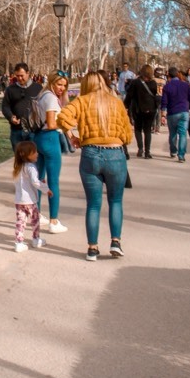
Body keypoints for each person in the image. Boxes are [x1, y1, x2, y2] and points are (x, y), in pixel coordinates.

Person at [57, 72, 132, 261]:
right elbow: (127, 135)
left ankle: (92, 248)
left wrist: (71, 135)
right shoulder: (116, 103)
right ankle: (116, 242)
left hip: (90, 152)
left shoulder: (82, 101)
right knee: (115, 201)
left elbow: (62, 117)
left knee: (93, 204)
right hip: (115, 153)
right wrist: (117, 138)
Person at [32, 70, 69, 233]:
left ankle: (36, 214)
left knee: (39, 179)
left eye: (64, 85)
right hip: (50, 138)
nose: (62, 88)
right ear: (52, 83)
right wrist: (65, 125)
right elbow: (52, 123)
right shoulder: (52, 99)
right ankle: (54, 220)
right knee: (53, 181)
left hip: (38, 138)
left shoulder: (42, 95)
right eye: (59, 84)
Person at [13, 139, 52, 252]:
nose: (37, 154)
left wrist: (41, 183)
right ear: (27, 155)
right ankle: (36, 239)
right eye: (34, 152)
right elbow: (35, 182)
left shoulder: (18, 167)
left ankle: (19, 242)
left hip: (19, 200)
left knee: (20, 221)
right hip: (30, 201)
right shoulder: (31, 167)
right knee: (35, 220)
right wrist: (46, 189)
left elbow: (25, 182)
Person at [1, 62, 42, 151]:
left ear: (28, 73)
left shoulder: (38, 88)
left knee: (33, 159)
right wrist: (11, 117)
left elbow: (43, 107)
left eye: (22, 75)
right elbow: (5, 107)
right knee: (19, 160)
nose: (19, 78)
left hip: (33, 131)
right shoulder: (10, 89)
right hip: (16, 131)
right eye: (17, 76)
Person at [123, 64, 157, 158]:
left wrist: (125, 106)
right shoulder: (153, 83)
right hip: (150, 109)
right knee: (147, 130)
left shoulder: (135, 82)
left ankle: (140, 148)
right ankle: (147, 152)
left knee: (138, 129)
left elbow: (129, 95)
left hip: (138, 109)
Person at [160, 67, 190, 162]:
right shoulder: (186, 85)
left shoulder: (167, 86)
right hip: (184, 111)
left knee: (173, 133)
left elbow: (164, 101)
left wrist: (163, 114)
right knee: (183, 134)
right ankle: (181, 155)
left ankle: (173, 151)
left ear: (168, 75)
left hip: (172, 112)